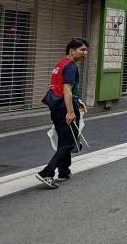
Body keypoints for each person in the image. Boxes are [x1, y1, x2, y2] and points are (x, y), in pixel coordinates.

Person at [36, 38, 89, 189]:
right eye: (82, 50)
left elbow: (58, 87)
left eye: (86, 50)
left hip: (56, 107)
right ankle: (47, 172)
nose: (85, 53)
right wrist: (71, 111)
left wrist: (77, 102)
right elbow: (67, 89)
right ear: (72, 50)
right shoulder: (71, 66)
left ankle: (64, 171)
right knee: (68, 142)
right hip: (65, 108)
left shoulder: (60, 64)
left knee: (65, 139)